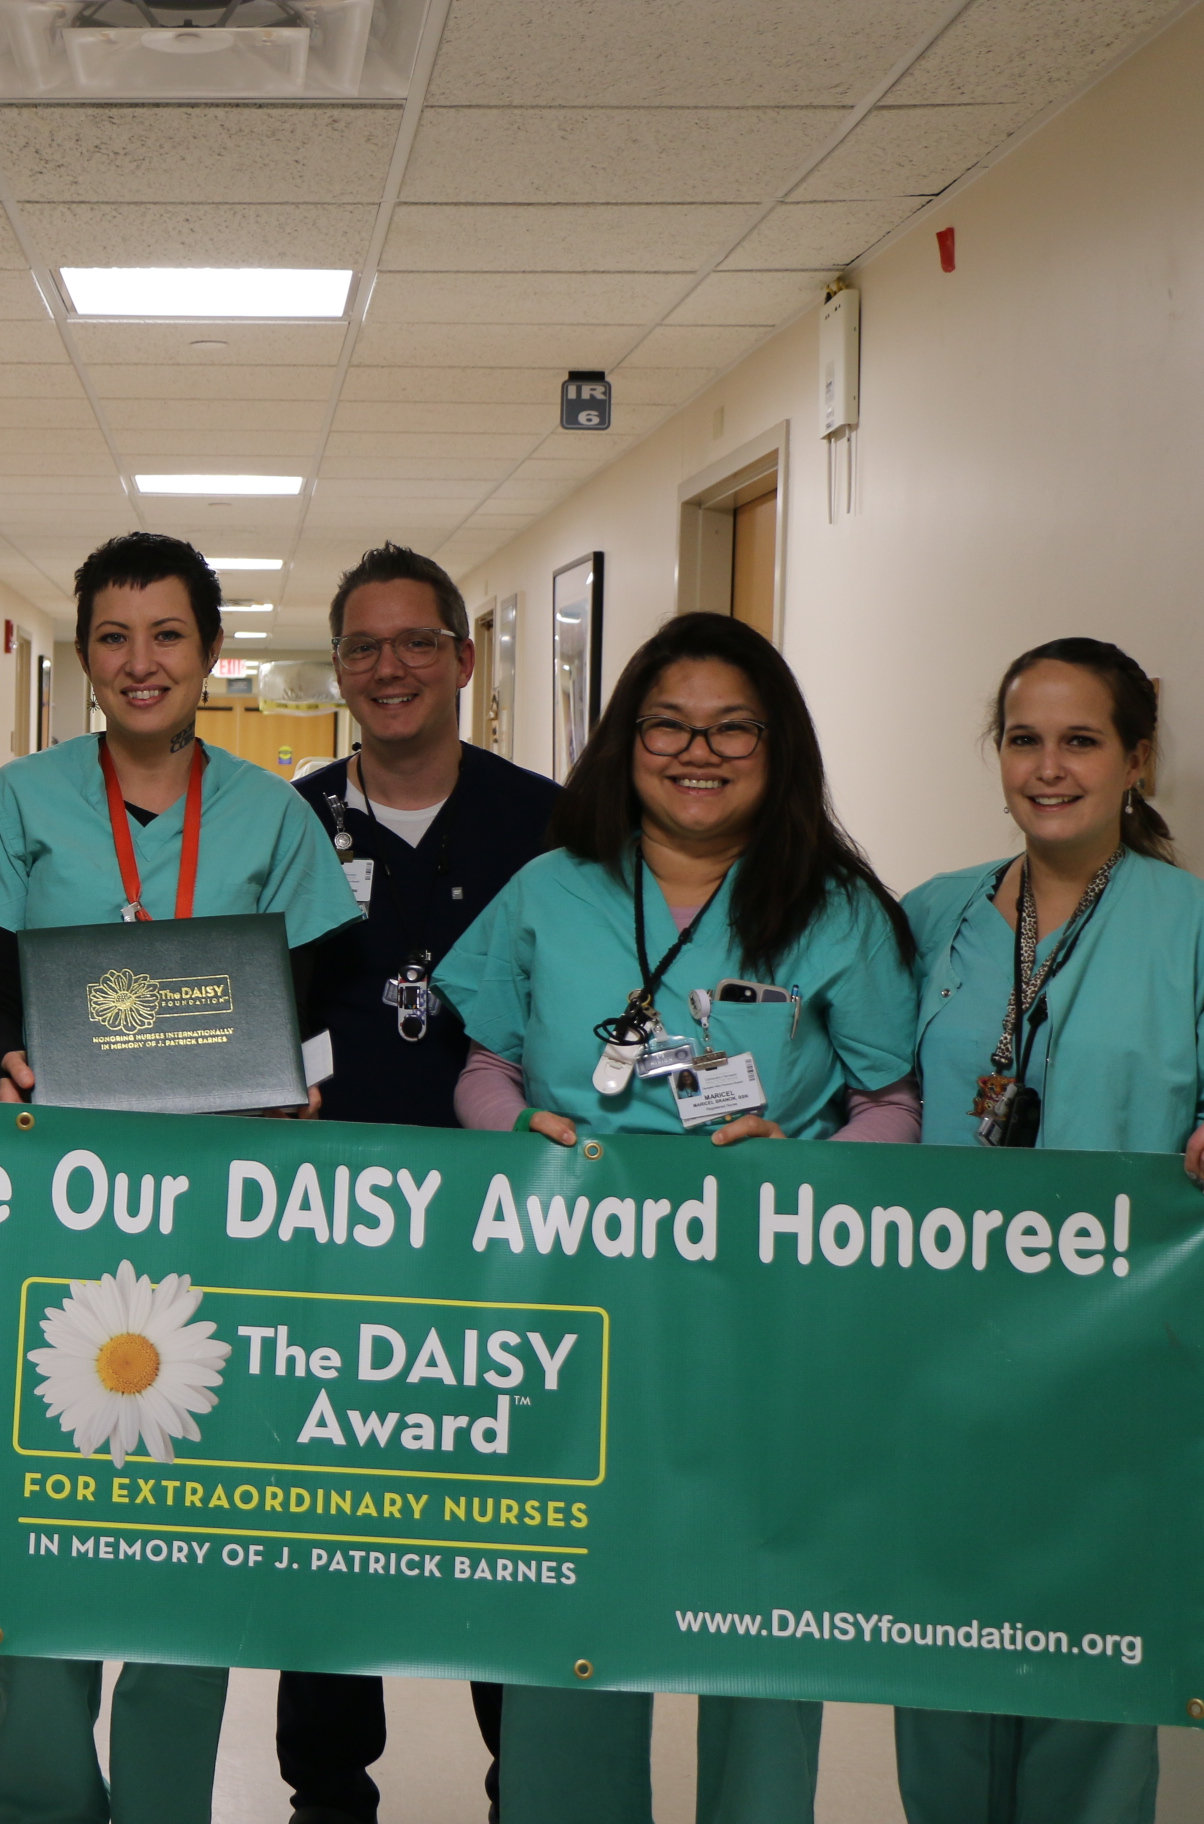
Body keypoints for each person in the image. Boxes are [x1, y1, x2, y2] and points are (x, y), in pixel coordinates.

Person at [433, 610, 921, 1823]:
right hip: (574, 1300)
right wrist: (510, 1131)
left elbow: (894, 1101)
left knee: (754, 1611)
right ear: (626, 740)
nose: (696, 750)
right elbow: (482, 1058)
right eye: (668, 724)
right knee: (575, 1598)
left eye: (730, 728)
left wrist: (816, 1177)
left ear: (778, 746)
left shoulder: (835, 906)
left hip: (762, 1308)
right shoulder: (553, 888)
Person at [0, 530, 363, 1824]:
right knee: (47, 1517)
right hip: (54, 1221)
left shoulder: (273, 817)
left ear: (209, 652)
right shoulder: (18, 804)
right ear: (84, 657)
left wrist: (301, 1077)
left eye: (166, 634)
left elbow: (313, 1004)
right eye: (113, 637)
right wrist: (1, 1065)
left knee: (188, 1535)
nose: (140, 662)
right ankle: (45, 1790)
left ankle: (171, 1800)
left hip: (220, 1221)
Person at [889, 640, 1204, 1824]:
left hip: (1135, 1371)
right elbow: (869, 1117)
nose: (1049, 767)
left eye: (1081, 741)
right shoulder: (933, 921)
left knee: (1095, 1684)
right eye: (1025, 739)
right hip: (945, 1360)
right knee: (938, 1660)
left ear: (1137, 758)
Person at [282, 543, 560, 1823]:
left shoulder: (550, 825)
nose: (386, 668)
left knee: (511, 1513)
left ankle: (527, 1776)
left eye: (413, 643)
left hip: (511, 1240)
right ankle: (328, 1789)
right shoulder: (287, 819)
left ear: (462, 657)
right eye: (360, 647)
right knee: (328, 1516)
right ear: (336, 667)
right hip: (328, 1236)